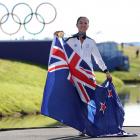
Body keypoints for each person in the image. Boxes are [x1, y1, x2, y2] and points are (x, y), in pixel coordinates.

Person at [54, 16, 112, 136]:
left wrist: (106, 71)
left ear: (88, 26)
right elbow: (62, 53)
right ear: (77, 25)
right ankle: (83, 127)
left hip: (89, 76)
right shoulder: (70, 40)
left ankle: (90, 125)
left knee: (89, 101)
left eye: (85, 23)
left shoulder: (91, 41)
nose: (83, 25)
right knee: (80, 102)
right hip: (75, 76)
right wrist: (57, 37)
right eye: (81, 22)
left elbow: (98, 59)